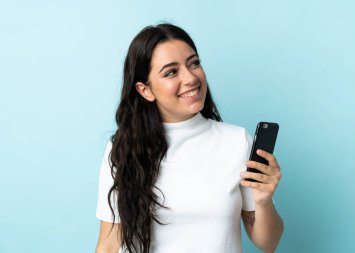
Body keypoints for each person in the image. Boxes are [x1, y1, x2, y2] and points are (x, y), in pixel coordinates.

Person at [95, 23, 283, 253]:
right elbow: (109, 243)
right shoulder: (121, 150)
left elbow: (268, 242)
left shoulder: (236, 142)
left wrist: (263, 201)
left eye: (194, 63)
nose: (191, 77)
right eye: (171, 72)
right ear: (145, 90)